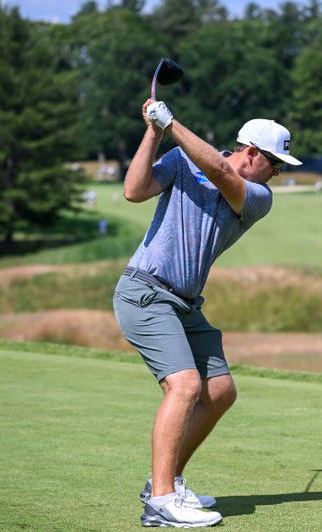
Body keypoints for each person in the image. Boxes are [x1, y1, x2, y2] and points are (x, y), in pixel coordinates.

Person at [113, 98, 301, 528]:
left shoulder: (258, 196)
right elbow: (134, 191)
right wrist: (155, 132)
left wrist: (171, 122)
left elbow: (219, 171)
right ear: (251, 151)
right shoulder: (181, 159)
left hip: (185, 305)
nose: (278, 173)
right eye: (275, 163)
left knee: (219, 392)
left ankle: (165, 480)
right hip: (146, 292)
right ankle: (161, 501)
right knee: (184, 387)